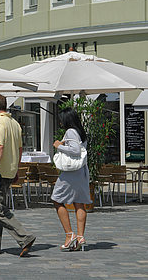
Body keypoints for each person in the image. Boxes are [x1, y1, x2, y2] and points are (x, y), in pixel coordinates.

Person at [0, 94, 36, 257]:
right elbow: (19, 149)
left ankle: (24, 237)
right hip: (9, 171)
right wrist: (16, 169)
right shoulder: (14, 123)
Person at [52, 107, 91, 252]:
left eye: (61, 119)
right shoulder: (80, 132)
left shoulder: (70, 132)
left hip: (70, 173)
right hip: (81, 171)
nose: (60, 122)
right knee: (79, 203)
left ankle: (70, 235)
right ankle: (80, 236)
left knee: (57, 199)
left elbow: (74, 150)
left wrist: (59, 146)